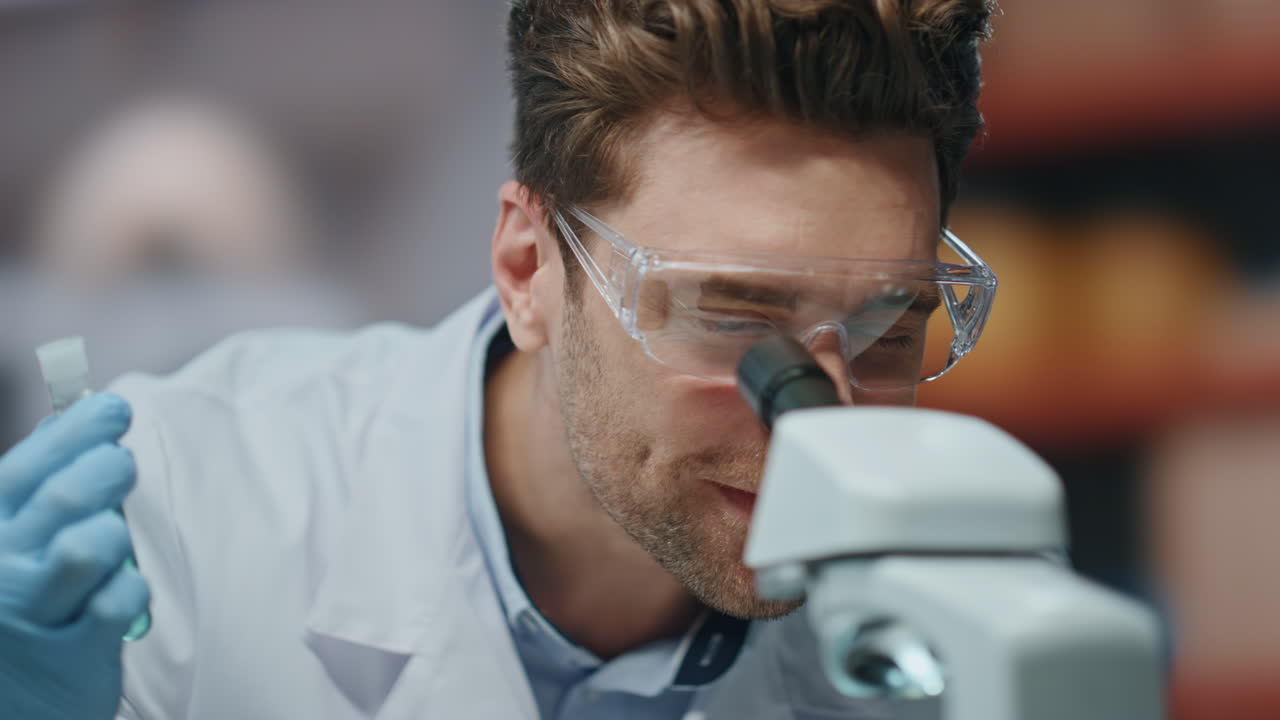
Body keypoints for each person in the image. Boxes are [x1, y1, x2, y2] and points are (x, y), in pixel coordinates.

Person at [0, 1, 996, 717]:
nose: (818, 428)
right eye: (732, 315)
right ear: (528, 269)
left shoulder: (953, 622)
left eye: (886, 329)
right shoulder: (181, 519)